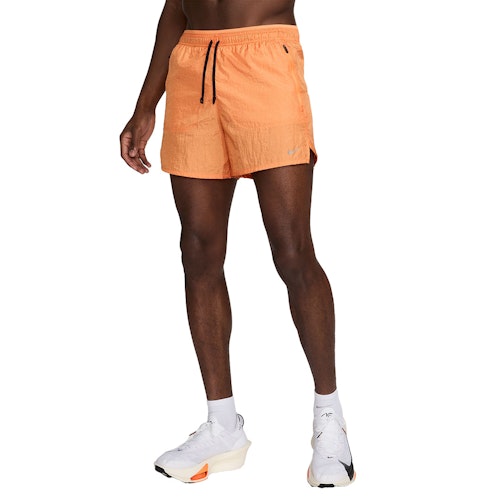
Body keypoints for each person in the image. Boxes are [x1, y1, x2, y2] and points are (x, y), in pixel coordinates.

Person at [119, 0, 355, 488]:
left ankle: (330, 419)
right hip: (192, 65)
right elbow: (174, 7)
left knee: (292, 251)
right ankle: (222, 424)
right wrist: (145, 104)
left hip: (265, 59)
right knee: (198, 250)